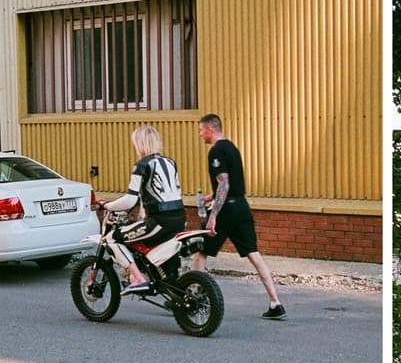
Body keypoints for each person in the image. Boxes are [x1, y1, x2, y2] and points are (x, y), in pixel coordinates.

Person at [192, 113, 287, 320]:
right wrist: (208, 197)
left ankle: (194, 297)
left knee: (200, 251)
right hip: (242, 206)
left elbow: (224, 183)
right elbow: (229, 185)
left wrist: (213, 215)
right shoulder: (232, 148)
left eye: (201, 130)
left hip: (227, 209)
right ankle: (275, 302)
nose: (200, 135)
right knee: (254, 254)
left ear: (210, 129)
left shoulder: (216, 151)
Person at [98, 125, 186, 295]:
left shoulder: (141, 165)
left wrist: (108, 205)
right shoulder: (170, 162)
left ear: (139, 143)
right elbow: (158, 194)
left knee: (112, 238)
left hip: (159, 222)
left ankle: (138, 278)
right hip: (180, 219)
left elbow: (131, 198)